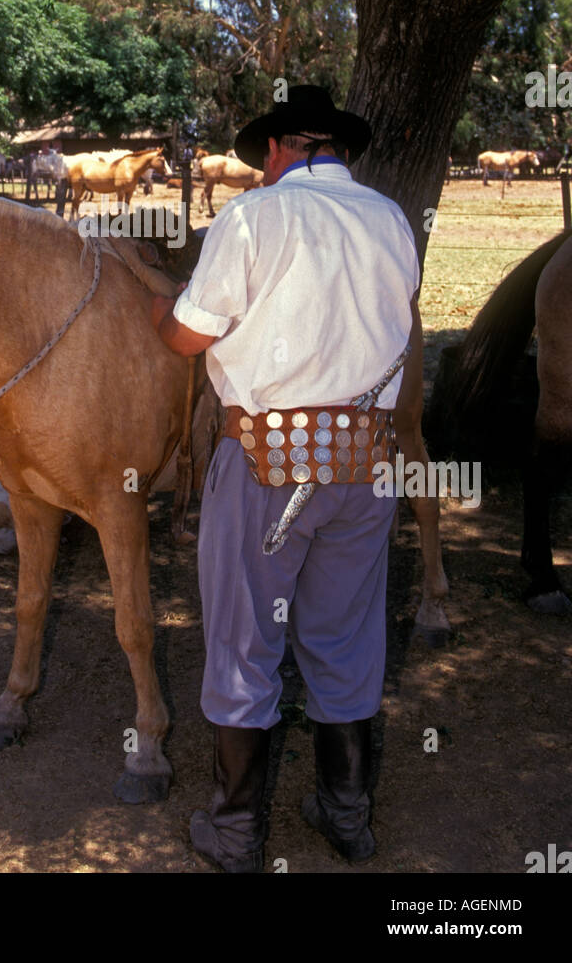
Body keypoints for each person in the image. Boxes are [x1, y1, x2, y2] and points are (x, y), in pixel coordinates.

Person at [151, 85, 420, 873]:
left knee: (244, 641)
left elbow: (185, 338)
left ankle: (235, 832)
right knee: (345, 638)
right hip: (363, 464)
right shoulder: (392, 220)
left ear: (276, 150)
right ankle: (348, 815)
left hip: (267, 463)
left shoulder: (253, 217)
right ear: (338, 149)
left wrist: (166, 312)